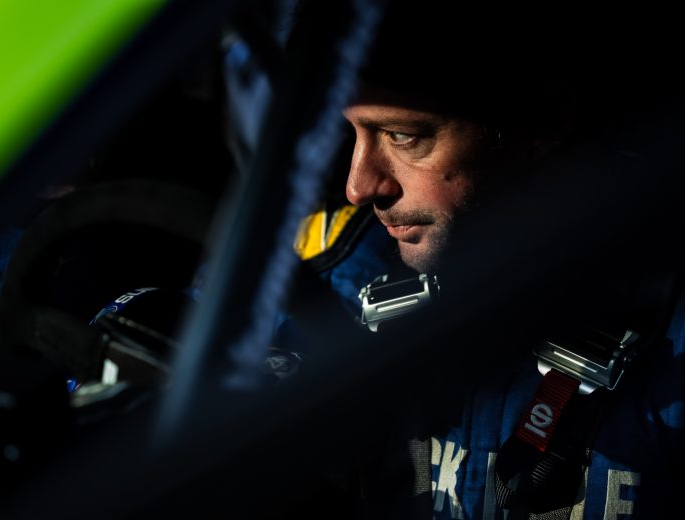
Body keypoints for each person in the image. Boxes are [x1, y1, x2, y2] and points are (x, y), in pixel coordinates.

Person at [285, 1, 685, 518]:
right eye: (353, 133)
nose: (359, 186)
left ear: (543, 121)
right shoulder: (330, 265)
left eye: (403, 136)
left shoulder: (669, 323)